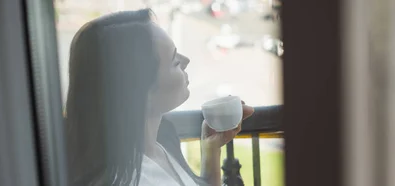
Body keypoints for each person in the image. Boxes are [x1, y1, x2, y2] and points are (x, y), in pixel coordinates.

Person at [64, 9, 254, 186]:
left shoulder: (155, 148)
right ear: (140, 92)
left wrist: (211, 150)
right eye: (174, 61)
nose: (186, 61)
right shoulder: (129, 179)